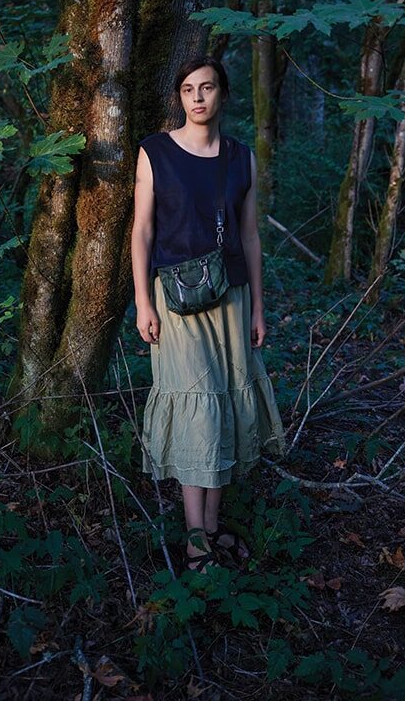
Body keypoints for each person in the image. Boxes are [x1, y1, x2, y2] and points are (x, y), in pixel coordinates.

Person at [131, 56, 285, 573]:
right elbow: (143, 231)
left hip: (231, 301)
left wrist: (259, 306)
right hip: (175, 302)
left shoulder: (241, 158)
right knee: (196, 409)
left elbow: (249, 236)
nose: (198, 97)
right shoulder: (154, 151)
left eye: (209, 87)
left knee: (224, 407)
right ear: (180, 97)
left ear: (223, 94)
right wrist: (141, 301)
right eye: (189, 89)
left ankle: (213, 531)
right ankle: (195, 541)